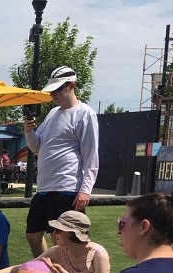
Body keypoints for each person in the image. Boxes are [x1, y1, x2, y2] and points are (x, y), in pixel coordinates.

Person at [24, 65, 99, 257]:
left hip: (67, 187)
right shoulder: (52, 114)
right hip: (44, 188)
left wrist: (85, 190)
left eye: (58, 89)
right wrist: (28, 130)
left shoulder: (85, 113)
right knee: (33, 234)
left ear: (72, 85)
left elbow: (91, 154)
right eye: (52, 90)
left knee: (64, 239)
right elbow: (35, 147)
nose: (53, 94)